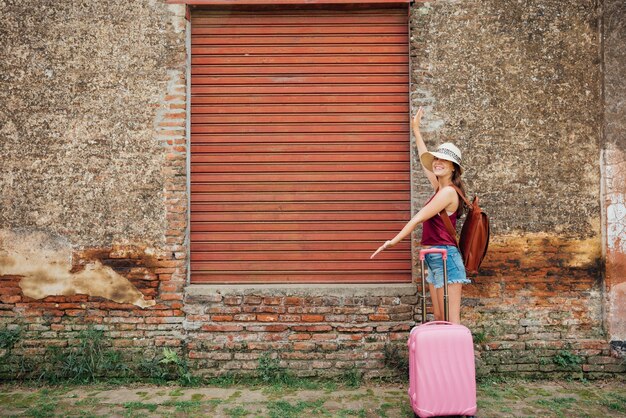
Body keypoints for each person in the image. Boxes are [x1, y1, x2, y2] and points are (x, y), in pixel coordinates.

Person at [370, 107, 470, 324]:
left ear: (454, 168)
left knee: (451, 322)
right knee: (440, 318)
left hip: (447, 258)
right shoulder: (439, 187)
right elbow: (425, 161)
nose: (437, 162)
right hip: (435, 258)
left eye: (443, 160)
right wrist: (416, 130)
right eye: (436, 159)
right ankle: (441, 359)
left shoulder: (448, 192)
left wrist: (392, 241)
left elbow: (417, 218)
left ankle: (455, 358)